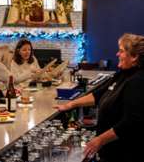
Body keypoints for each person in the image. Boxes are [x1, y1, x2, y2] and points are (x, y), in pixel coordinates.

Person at [54, 33, 144, 162]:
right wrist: (70, 104)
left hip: (124, 152)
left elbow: (131, 122)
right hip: (109, 150)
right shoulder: (122, 74)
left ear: (134, 56)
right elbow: (98, 95)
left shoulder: (138, 81)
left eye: (121, 51)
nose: (117, 54)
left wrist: (100, 140)